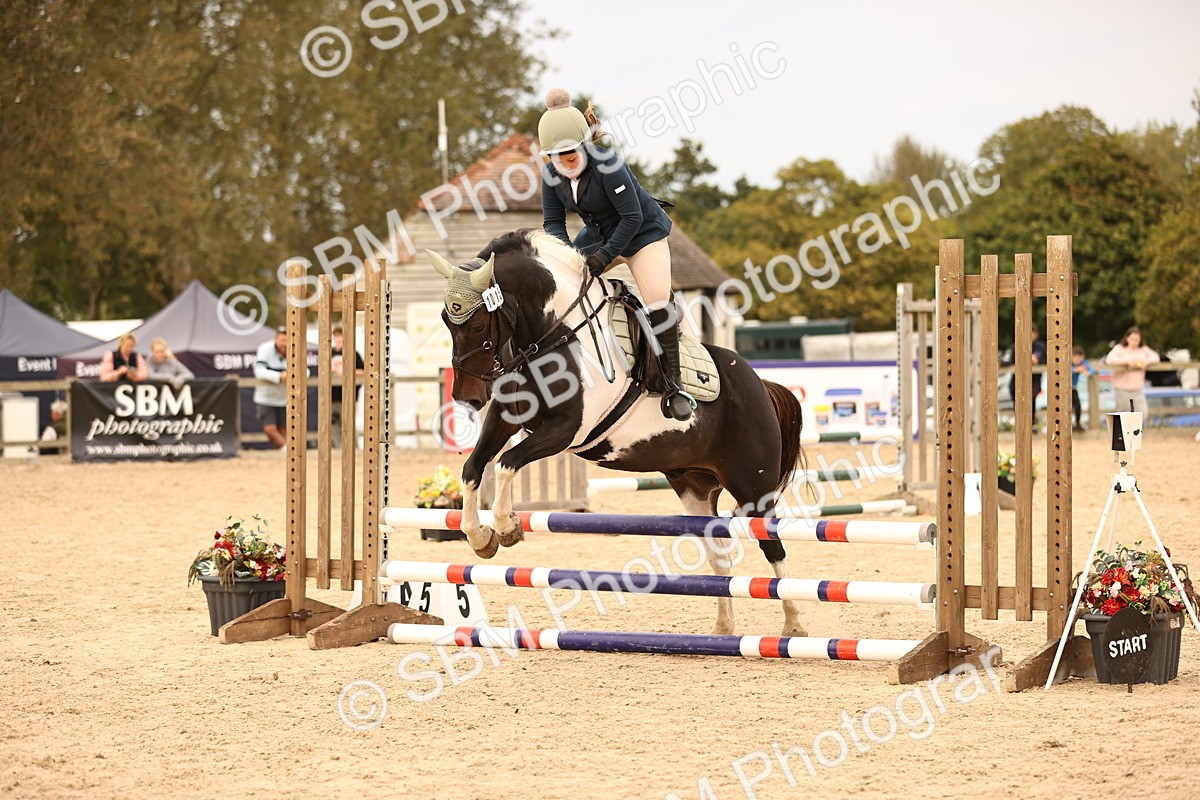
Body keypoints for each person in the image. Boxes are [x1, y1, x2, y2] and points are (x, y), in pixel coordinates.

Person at [538, 88, 694, 421]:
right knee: (564, 282)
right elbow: (553, 224)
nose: (565, 163)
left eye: (570, 155)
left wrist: (603, 257)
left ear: (583, 146)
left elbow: (632, 218)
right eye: (556, 157)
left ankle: (674, 387)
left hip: (642, 236)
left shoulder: (608, 166)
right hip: (600, 235)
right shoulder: (551, 175)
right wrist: (565, 259)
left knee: (656, 306)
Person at [1105, 325, 1160, 415]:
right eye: (1132, 339)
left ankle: (1137, 429)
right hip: (1122, 389)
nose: (1134, 342)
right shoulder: (1119, 348)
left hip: (1138, 389)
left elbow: (1155, 357)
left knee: (1143, 414)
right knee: (1123, 415)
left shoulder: (1143, 349)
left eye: (1137, 340)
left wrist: (1145, 362)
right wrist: (1127, 362)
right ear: (1127, 338)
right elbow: (1109, 360)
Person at [254, 327, 293, 450]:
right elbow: (259, 371)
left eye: (287, 340)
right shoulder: (264, 349)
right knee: (269, 429)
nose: (285, 344)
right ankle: (288, 452)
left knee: (285, 429)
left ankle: (287, 455)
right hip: (265, 398)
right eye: (282, 340)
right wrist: (279, 376)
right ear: (275, 339)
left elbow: (305, 371)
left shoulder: (296, 347)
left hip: (286, 398)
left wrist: (293, 375)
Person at [330, 324, 364, 448]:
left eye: (341, 339)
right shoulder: (329, 352)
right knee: (333, 424)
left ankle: (352, 448)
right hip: (332, 395)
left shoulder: (354, 353)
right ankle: (339, 449)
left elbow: (363, 371)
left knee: (348, 424)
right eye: (336, 339)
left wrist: (348, 372)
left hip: (349, 396)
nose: (338, 342)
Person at [1008, 326, 1046, 429]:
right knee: (1015, 395)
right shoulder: (1017, 346)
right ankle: (1020, 421)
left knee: (1031, 397)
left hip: (1034, 379)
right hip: (1017, 379)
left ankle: (1031, 422)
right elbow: (1011, 361)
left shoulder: (1040, 346)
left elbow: (1039, 360)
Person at [1071, 346, 1096, 432]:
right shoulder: (1069, 363)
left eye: (1080, 358)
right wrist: (1076, 370)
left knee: (1078, 406)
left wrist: (1087, 372)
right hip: (1065, 389)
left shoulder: (1083, 363)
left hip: (1073, 388)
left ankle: (1077, 423)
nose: (1078, 360)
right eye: (1076, 358)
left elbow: (1091, 370)